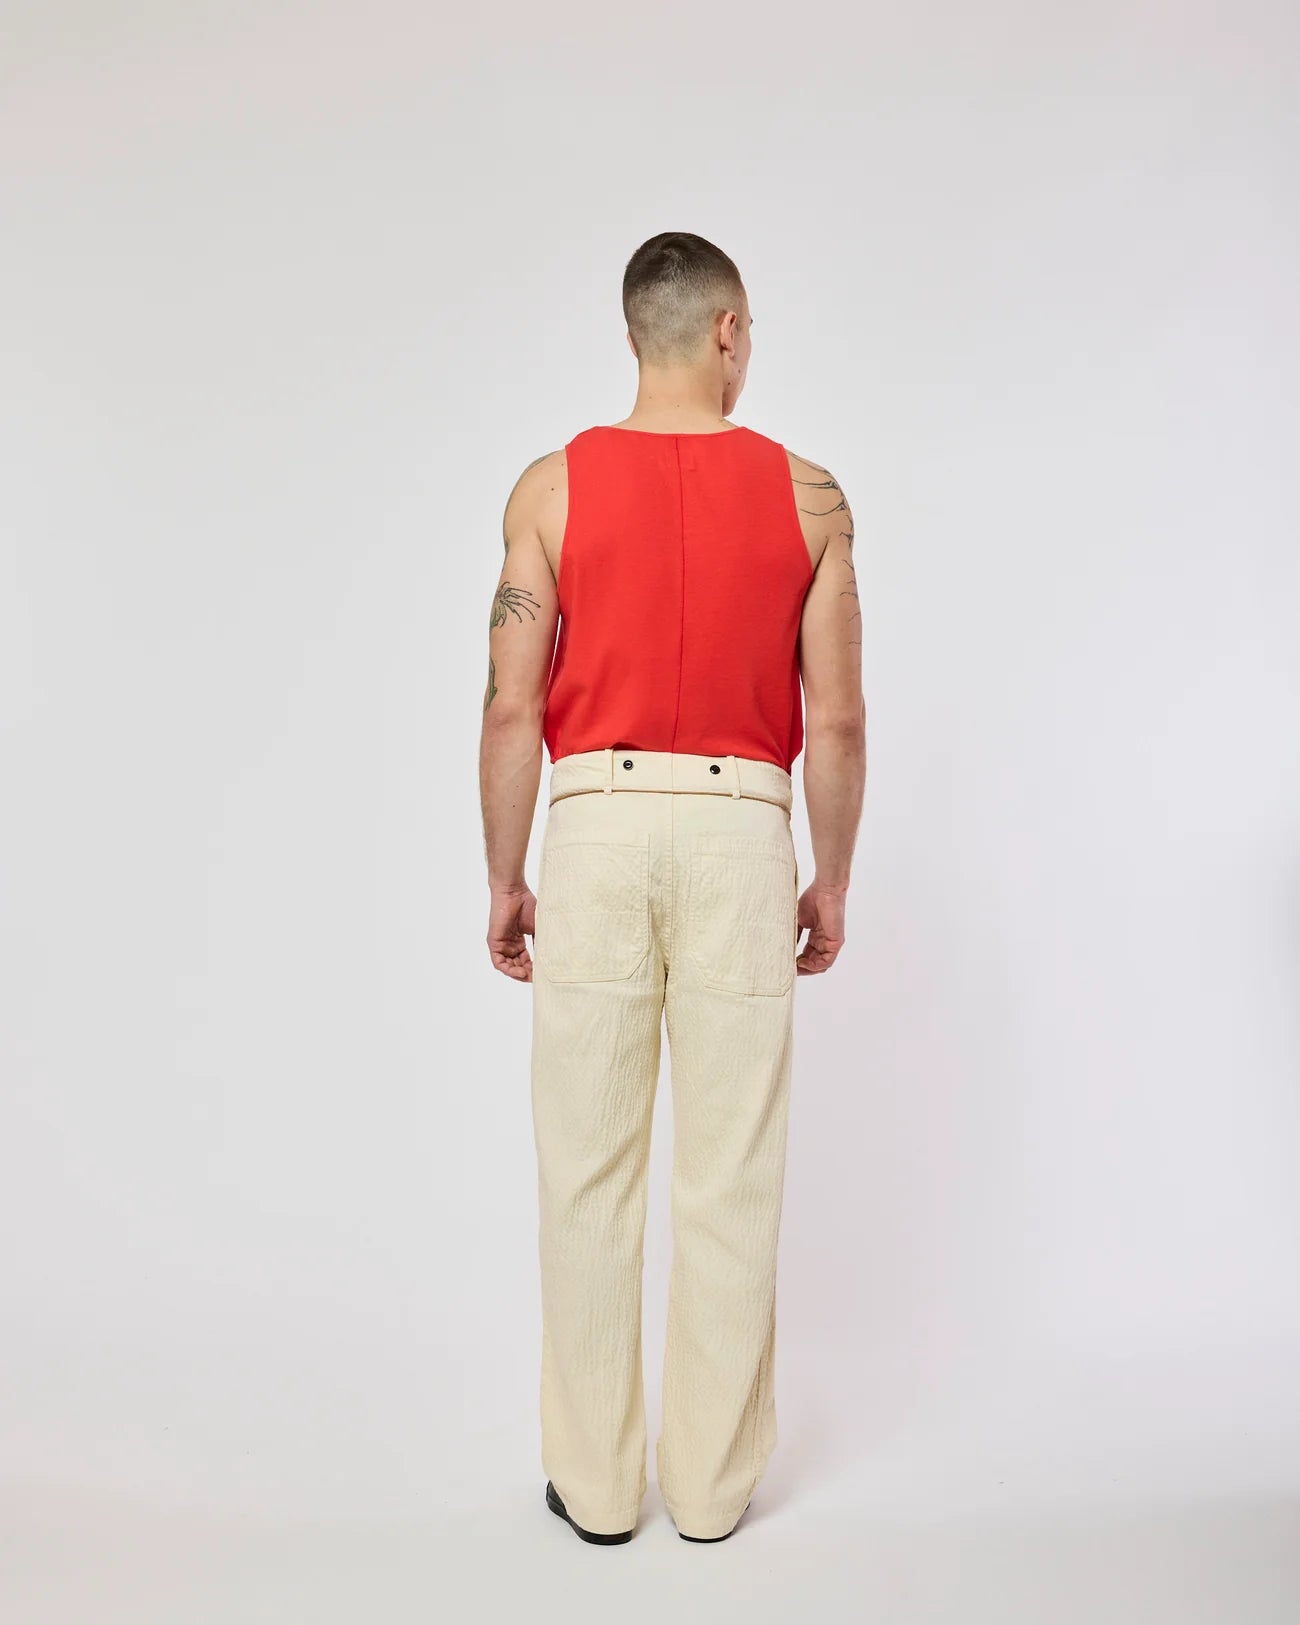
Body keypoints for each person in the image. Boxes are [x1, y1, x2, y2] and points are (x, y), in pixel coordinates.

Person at [478, 231, 866, 1545]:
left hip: (592, 826)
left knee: (586, 1169)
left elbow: (511, 706)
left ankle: (596, 1490)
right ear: (727, 332)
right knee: (730, 1171)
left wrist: (506, 877)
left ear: (634, 332)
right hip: (741, 832)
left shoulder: (549, 488)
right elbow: (839, 720)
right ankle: (708, 1492)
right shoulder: (812, 498)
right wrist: (830, 878)